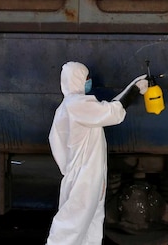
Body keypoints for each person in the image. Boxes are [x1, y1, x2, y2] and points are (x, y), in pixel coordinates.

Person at [46, 61, 148, 245]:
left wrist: (131, 87)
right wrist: (133, 91)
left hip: (83, 173)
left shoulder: (71, 106)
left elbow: (106, 108)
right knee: (71, 225)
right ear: (77, 79)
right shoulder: (76, 105)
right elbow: (111, 113)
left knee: (89, 224)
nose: (89, 81)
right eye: (86, 78)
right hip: (84, 175)